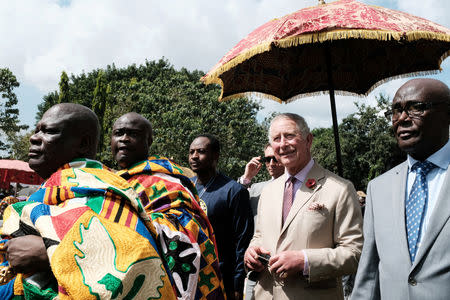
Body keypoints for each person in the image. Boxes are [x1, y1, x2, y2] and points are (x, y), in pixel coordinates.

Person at [0, 104, 176, 299]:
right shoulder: (55, 188)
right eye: (37, 130)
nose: (34, 138)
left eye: (49, 131)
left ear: (83, 144)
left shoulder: (101, 190)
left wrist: (50, 252)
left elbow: (135, 259)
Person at [244, 113, 363, 300]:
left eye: (289, 136)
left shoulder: (340, 189)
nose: (283, 144)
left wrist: (305, 261)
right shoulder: (268, 191)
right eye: (276, 138)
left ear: (308, 140)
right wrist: (252, 251)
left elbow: (354, 253)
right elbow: (259, 236)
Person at [352, 78, 450, 300]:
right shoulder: (378, 188)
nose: (403, 118)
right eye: (396, 111)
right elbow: (369, 275)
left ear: (447, 113)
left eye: (416, 107)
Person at [111, 112, 225, 299]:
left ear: (149, 141)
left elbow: (188, 229)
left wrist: (131, 226)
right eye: (118, 133)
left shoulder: (168, 181)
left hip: (164, 282)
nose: (124, 139)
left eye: (133, 134)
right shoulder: (108, 181)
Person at [189, 134, 254, 300]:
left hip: (221, 277)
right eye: (191, 152)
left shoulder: (234, 191)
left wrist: (237, 283)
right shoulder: (184, 188)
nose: (194, 156)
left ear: (215, 155)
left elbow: (243, 241)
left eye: (201, 151)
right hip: (188, 274)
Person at [237, 144, 285, 220]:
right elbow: (235, 205)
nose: (271, 164)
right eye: (268, 159)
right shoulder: (256, 189)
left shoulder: (297, 187)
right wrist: (247, 177)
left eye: (275, 159)